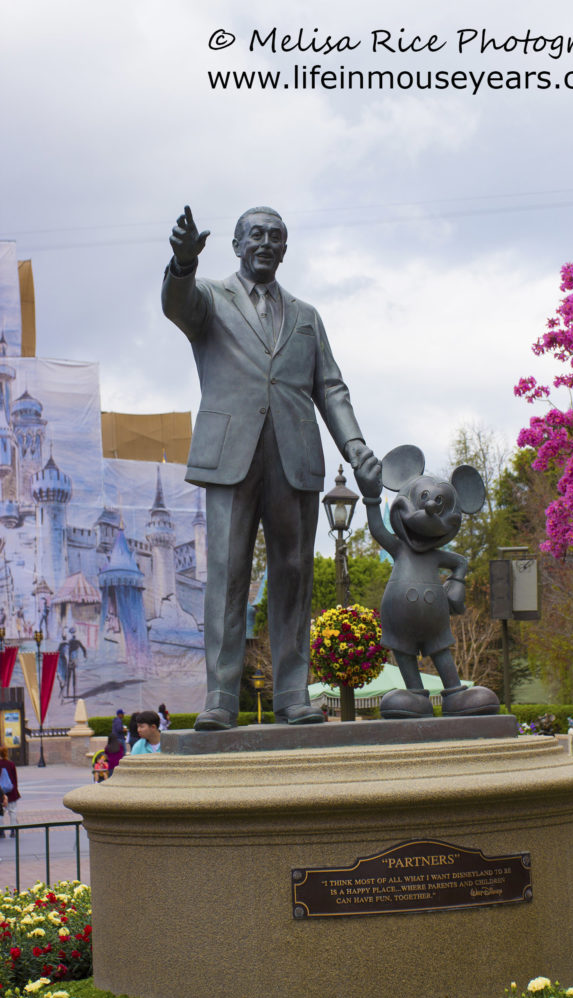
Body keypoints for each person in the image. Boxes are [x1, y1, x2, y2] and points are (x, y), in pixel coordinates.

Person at [162, 205, 381, 730]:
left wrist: (355, 446)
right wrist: (183, 263)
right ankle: (220, 696)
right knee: (227, 575)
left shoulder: (306, 315)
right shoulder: (211, 298)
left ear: (285, 249)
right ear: (237, 244)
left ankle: (292, 694)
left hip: (295, 455)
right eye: (255, 235)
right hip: (231, 455)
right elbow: (178, 306)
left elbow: (330, 386)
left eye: (276, 237)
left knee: (293, 574)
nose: (266, 243)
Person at [0, 746, 20, 837]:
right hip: (11, 792)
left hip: (0, 793)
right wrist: (15, 790)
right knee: (12, 811)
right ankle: (13, 831)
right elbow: (15, 779)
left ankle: (1, 831)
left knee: (1, 813)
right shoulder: (11, 764)